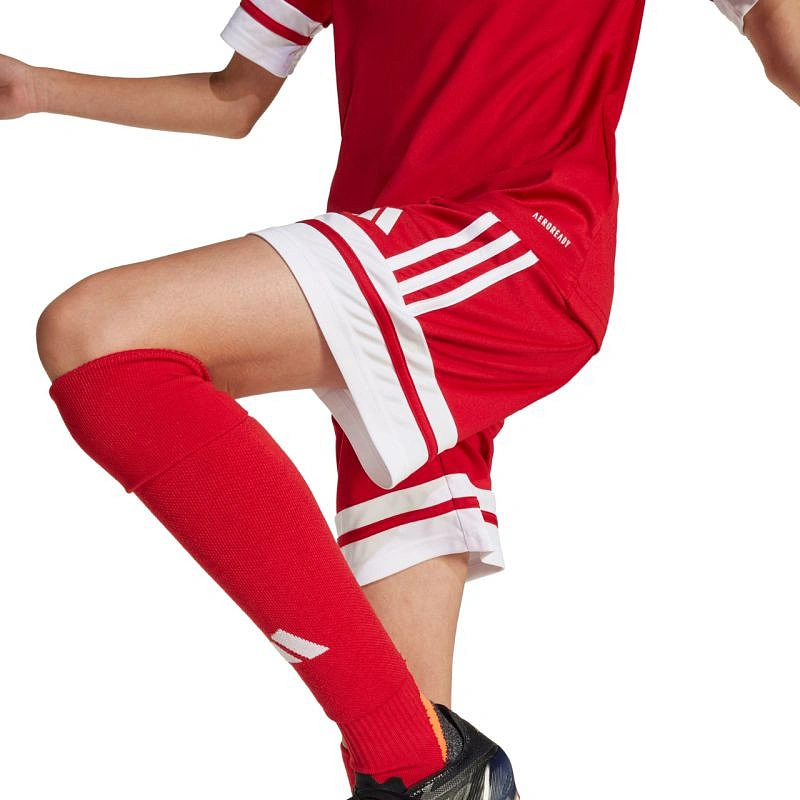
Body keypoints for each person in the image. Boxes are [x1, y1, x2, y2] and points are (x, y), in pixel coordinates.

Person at [1, 0, 796, 797]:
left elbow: (785, 45)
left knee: (104, 337)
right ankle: (425, 765)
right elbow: (232, 98)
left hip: (511, 244)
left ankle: (430, 756)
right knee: (398, 764)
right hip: (391, 282)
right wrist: (35, 87)